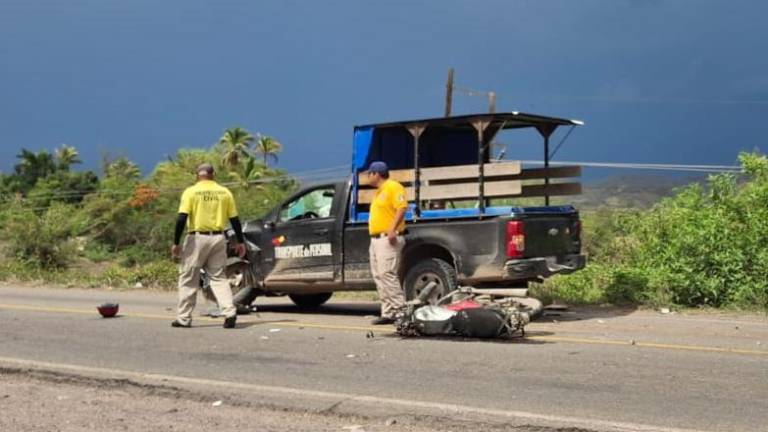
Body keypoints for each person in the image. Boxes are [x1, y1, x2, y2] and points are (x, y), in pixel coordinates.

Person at [170, 163, 246, 329]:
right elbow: (235, 220)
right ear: (213, 174)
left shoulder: (191, 192)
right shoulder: (224, 192)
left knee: (189, 278)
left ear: (197, 175)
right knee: (218, 277)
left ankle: (184, 318)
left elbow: (182, 218)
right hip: (218, 238)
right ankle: (229, 312)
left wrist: (176, 243)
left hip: (197, 238)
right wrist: (240, 241)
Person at [366, 161, 408, 325]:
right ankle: (388, 312)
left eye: (369, 173)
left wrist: (392, 229)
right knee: (379, 276)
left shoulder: (393, 187)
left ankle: (401, 311)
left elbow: (401, 207)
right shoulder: (379, 191)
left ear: (376, 174)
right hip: (376, 239)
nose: (368, 177)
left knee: (387, 274)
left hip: (387, 238)